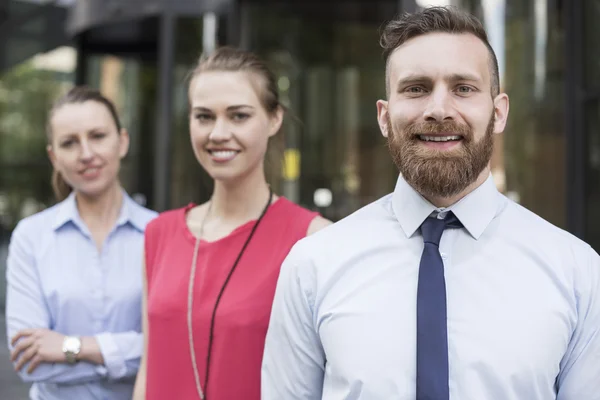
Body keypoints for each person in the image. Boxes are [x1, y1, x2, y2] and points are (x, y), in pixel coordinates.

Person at [261, 6, 600, 400]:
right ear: (384, 117)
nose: (439, 110)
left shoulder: (577, 273)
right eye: (416, 88)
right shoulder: (313, 267)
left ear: (499, 112)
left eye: (464, 88)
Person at [132, 46, 331, 400]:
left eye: (238, 116)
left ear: (274, 119)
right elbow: (149, 370)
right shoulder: (158, 234)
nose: (218, 133)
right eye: (204, 116)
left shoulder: (315, 239)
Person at [5, 86, 157, 400]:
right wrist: (128, 351)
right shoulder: (31, 237)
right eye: (69, 143)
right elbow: (29, 363)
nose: (86, 153)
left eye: (98, 136)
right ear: (54, 157)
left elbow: (170, 349)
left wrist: (70, 347)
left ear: (122, 141)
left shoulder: (160, 232)